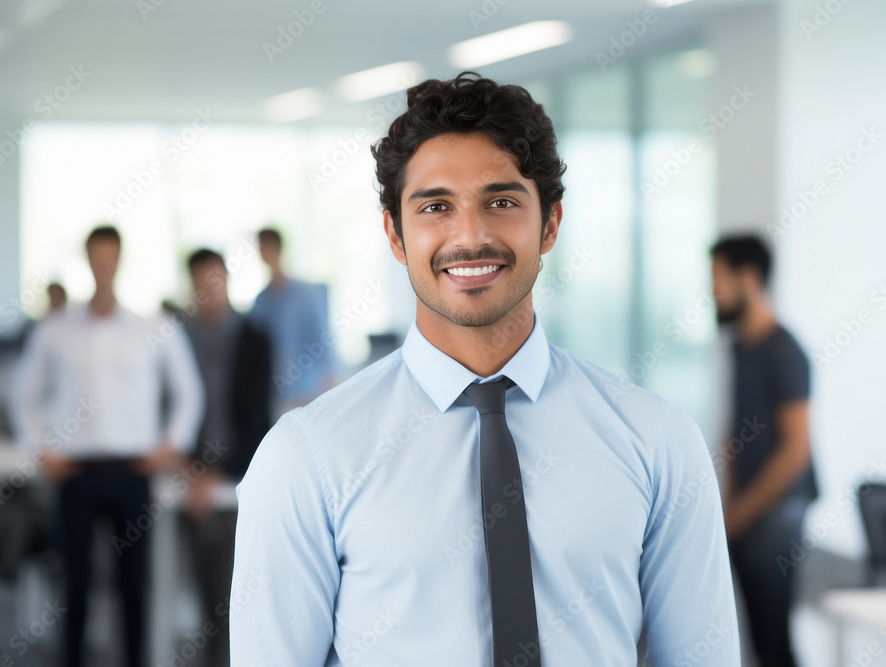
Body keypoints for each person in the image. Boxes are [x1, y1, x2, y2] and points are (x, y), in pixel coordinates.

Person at [230, 72, 739, 665]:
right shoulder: (306, 456)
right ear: (395, 234)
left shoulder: (657, 439)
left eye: (501, 202)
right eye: (436, 207)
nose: (469, 236)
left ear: (549, 225)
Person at [10, 225, 204, 667]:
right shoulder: (56, 329)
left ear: (119, 259)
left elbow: (189, 393)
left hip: (132, 472)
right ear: (87, 259)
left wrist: (171, 446)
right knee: (73, 586)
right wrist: (40, 450)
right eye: (95, 257)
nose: (103, 266)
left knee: (132, 585)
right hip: (74, 473)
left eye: (109, 257)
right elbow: (23, 395)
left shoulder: (152, 327)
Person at [711, 235, 816, 667]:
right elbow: (737, 435)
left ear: (748, 278)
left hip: (777, 516)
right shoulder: (739, 347)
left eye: (718, 279)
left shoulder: (784, 350)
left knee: (775, 645)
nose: (713, 292)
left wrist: (742, 512)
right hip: (747, 514)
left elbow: (795, 451)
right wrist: (729, 506)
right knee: (754, 643)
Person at [181, 248, 272, 667]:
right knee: (201, 587)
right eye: (200, 284)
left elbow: (257, 418)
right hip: (189, 473)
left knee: (238, 586)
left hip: (237, 475)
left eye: (214, 282)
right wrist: (189, 468)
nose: (207, 292)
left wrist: (213, 473)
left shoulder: (255, 339)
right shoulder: (179, 337)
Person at [248, 227, 335, 418]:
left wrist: (328, 390)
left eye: (267, 247)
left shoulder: (306, 294)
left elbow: (324, 342)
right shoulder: (261, 302)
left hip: (309, 393)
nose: (263, 253)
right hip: (277, 397)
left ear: (278, 248)